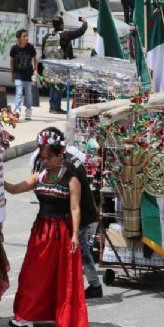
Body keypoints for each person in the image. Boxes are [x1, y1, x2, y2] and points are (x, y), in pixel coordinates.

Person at [4, 130, 88, 327]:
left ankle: (63, 316)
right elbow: (16, 188)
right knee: (33, 273)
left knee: (60, 275)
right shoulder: (39, 175)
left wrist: (75, 234)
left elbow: (75, 208)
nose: (46, 161)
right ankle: (26, 315)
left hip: (62, 232)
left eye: (50, 157)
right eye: (43, 157)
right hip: (41, 231)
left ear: (61, 155)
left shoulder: (71, 179)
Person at [27, 128, 102, 299]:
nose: (44, 160)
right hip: (73, 213)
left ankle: (93, 285)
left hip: (75, 214)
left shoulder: (66, 166)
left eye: (47, 155)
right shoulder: (66, 159)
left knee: (79, 251)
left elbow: (72, 199)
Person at [41, 16, 88, 114]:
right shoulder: (65, 35)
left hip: (50, 65)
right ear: (62, 24)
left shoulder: (46, 37)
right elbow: (80, 31)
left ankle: (52, 106)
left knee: (53, 85)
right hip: (61, 65)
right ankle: (55, 107)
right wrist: (85, 22)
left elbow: (43, 51)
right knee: (59, 85)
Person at [10, 29, 37, 121]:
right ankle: (17, 110)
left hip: (28, 74)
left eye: (27, 36)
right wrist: (12, 73)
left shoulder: (30, 47)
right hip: (18, 73)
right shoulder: (14, 48)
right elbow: (12, 61)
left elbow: (35, 59)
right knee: (19, 91)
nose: (26, 38)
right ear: (19, 38)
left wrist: (35, 70)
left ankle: (28, 110)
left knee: (28, 94)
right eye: (24, 36)